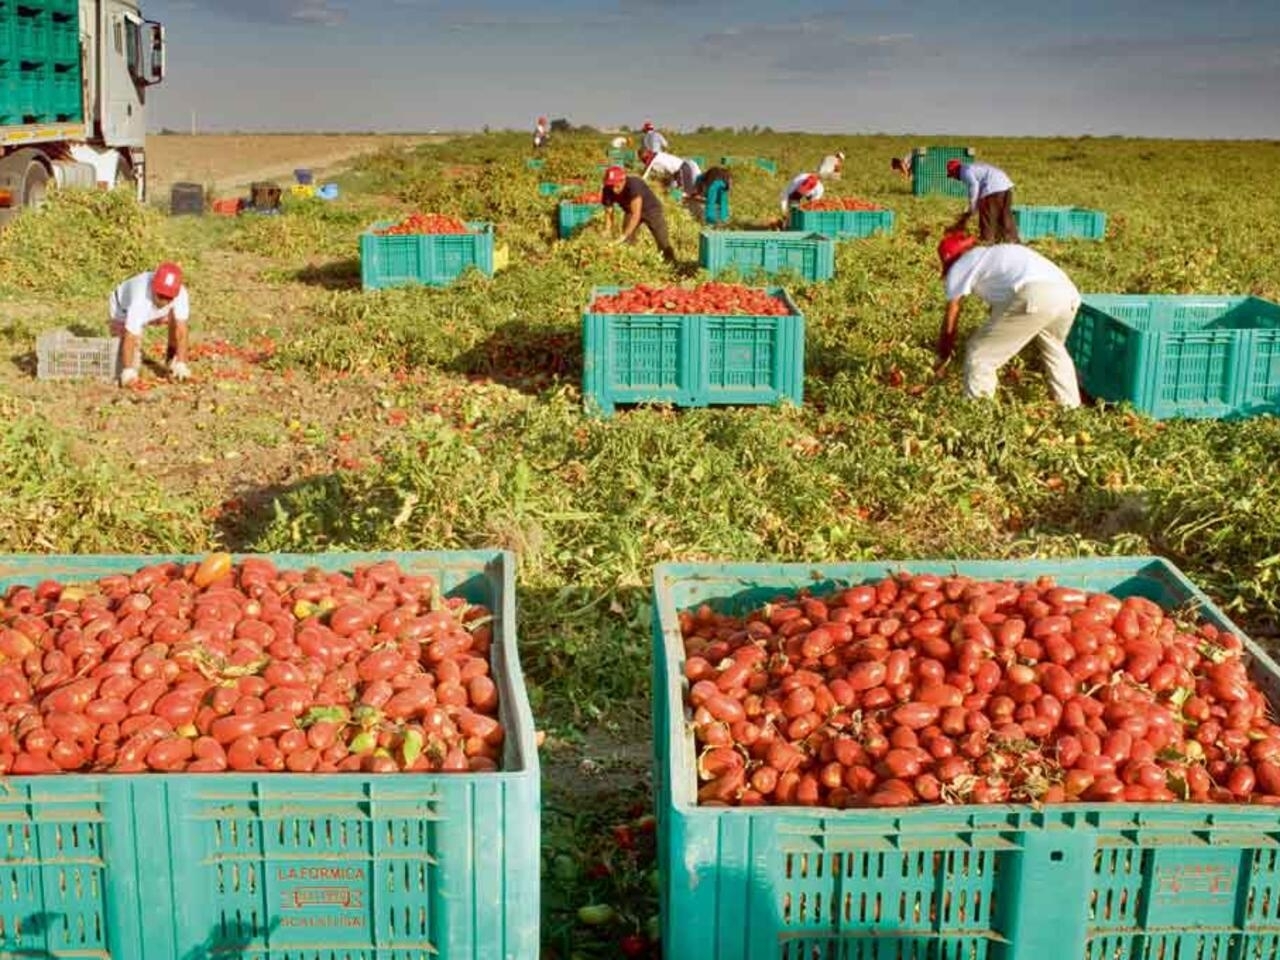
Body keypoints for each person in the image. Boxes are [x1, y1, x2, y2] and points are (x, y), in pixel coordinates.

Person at [935, 232, 1082, 407]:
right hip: (1068, 295)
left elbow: (953, 311)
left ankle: (978, 412)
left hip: (1035, 294)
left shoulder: (960, 265)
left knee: (979, 354)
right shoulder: (993, 255)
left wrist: (944, 353)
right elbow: (1004, 311)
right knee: (1054, 349)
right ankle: (1070, 408)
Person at [108, 262, 191, 387]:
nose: (164, 301)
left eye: (168, 298)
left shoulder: (181, 294)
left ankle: (171, 360)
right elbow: (130, 336)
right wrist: (128, 370)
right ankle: (126, 368)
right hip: (122, 309)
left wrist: (181, 362)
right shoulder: (139, 298)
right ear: (153, 286)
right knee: (125, 362)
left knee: (176, 319)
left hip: (159, 313)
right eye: (160, 296)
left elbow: (182, 330)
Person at [601, 165, 676, 263]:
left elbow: (636, 214)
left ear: (623, 180)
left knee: (662, 239)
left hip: (651, 209)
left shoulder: (634, 185)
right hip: (629, 210)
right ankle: (629, 262)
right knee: (627, 242)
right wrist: (607, 230)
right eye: (611, 185)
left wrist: (624, 235)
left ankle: (671, 262)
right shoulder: (607, 190)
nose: (614, 189)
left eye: (617, 185)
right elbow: (609, 212)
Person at [947, 159, 1019, 242]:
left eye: (953, 176)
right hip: (1006, 185)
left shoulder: (964, 171)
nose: (955, 178)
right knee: (1005, 215)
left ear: (954, 171)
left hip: (993, 187)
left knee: (987, 217)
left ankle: (987, 241)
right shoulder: (973, 167)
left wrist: (972, 206)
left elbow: (973, 186)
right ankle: (1012, 240)